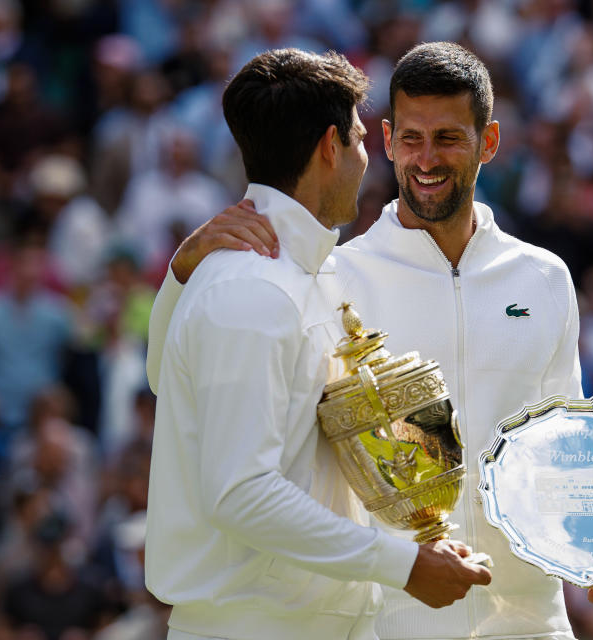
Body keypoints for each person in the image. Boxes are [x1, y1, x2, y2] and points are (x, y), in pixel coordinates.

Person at [147, 42, 593, 640]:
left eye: (448, 138)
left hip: (533, 622)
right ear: (388, 139)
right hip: (392, 622)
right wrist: (182, 271)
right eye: (411, 138)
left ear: (489, 143)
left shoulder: (546, 278)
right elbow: (181, 385)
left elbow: (565, 446)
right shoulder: (329, 279)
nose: (427, 159)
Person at [144, 48, 491, 640]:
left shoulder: (304, 275)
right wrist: (403, 567)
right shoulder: (252, 290)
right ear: (330, 146)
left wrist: (180, 274)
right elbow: (241, 494)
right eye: (359, 140)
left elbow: (162, 376)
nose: (366, 160)